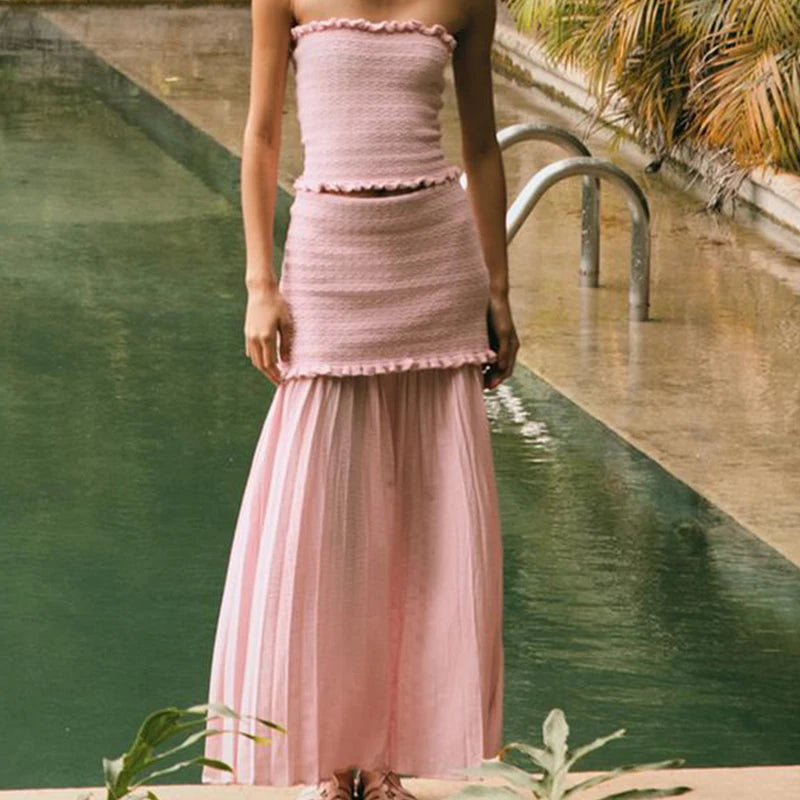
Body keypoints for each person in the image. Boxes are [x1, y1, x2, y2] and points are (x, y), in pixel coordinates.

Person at [202, 0, 520, 798]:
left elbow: (482, 147)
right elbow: (261, 136)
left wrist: (499, 290)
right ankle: (332, 760)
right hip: (329, 263)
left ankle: (385, 762)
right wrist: (259, 284)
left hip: (436, 265)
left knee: (426, 526)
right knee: (325, 529)